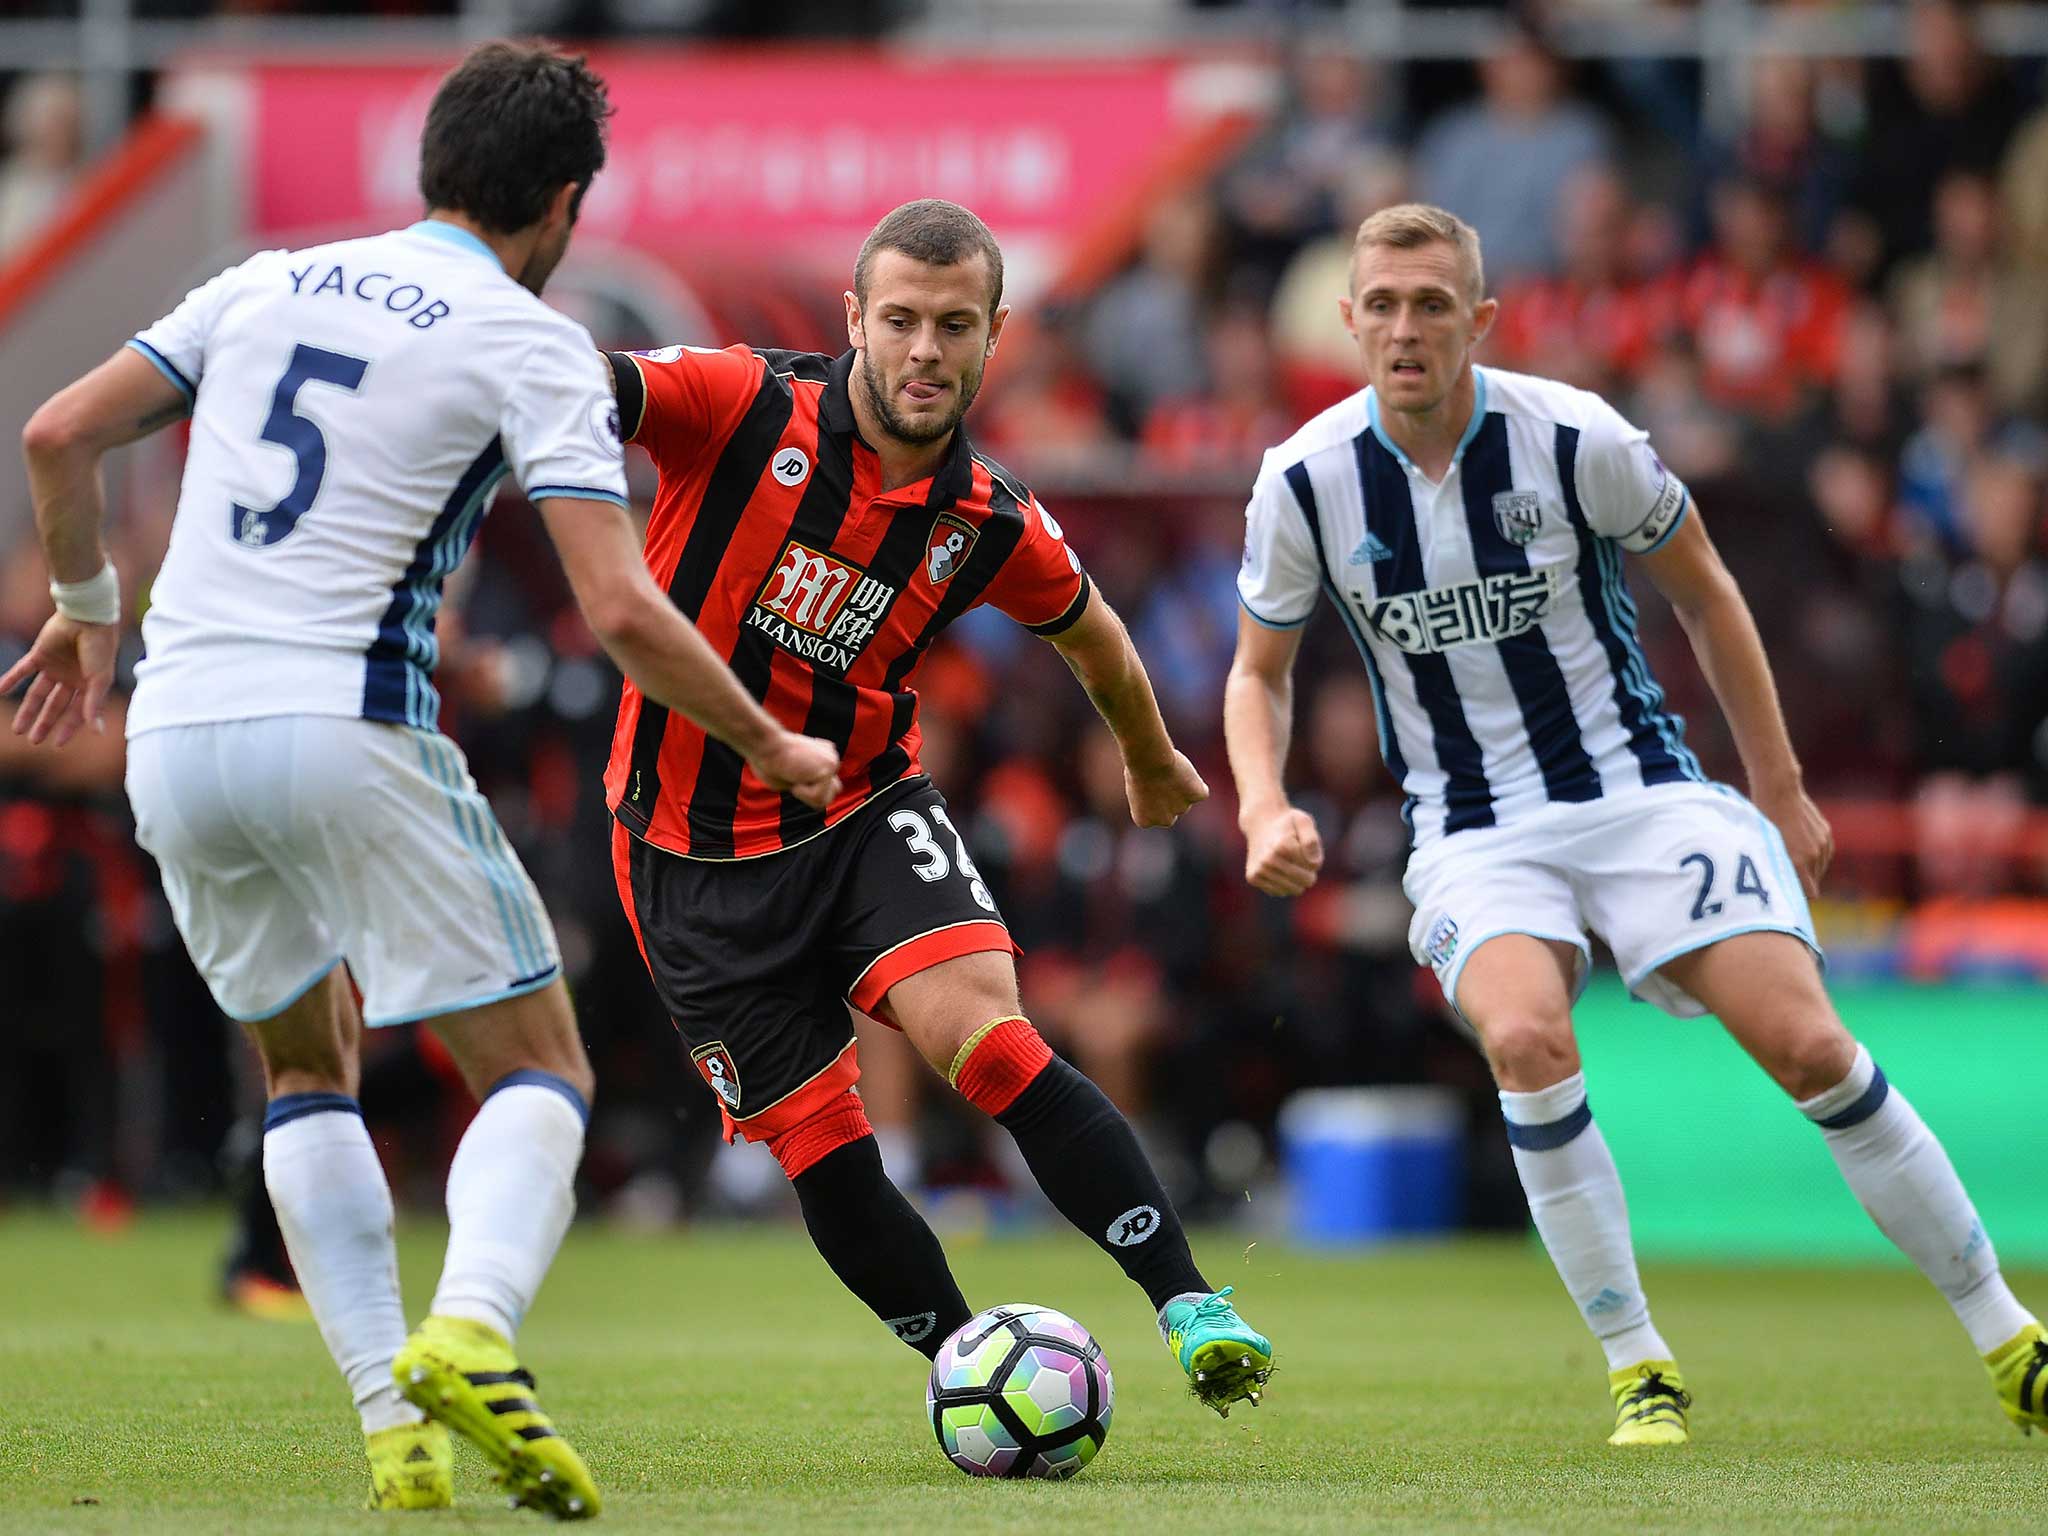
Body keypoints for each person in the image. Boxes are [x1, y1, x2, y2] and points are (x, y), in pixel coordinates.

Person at [4, 40, 838, 1517]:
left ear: (433, 165)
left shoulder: (268, 282)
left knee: (306, 1064)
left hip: (175, 735)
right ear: (567, 202)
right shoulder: (530, 341)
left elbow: (57, 431)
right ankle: (477, 1331)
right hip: (344, 723)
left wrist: (84, 602)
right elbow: (625, 610)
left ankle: (396, 1427)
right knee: (539, 1066)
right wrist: (770, 739)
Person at [1222, 202, 2046, 1446]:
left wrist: (1777, 788)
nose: (1403, 329)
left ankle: (2005, 1336)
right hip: (1471, 829)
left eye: (1431, 304)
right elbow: (1257, 673)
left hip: (1640, 797)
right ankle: (1635, 1363)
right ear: (1346, 321)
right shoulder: (1302, 482)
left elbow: (1707, 597)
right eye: (1380, 305)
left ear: (1478, 321)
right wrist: (1263, 800)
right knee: (1521, 1035)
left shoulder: (1574, 437)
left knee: (1809, 1048)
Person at [600, 197, 1273, 1414]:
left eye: (953, 325)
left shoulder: (987, 518)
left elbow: (1094, 633)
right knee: (825, 1151)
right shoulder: (741, 404)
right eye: (899, 320)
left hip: (861, 815)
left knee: (990, 1045)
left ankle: (1189, 1303)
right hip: (683, 859)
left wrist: (1149, 754)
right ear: (853, 318)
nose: (924, 349)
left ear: (993, 335)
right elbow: (583, 389)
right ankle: (977, 1371)